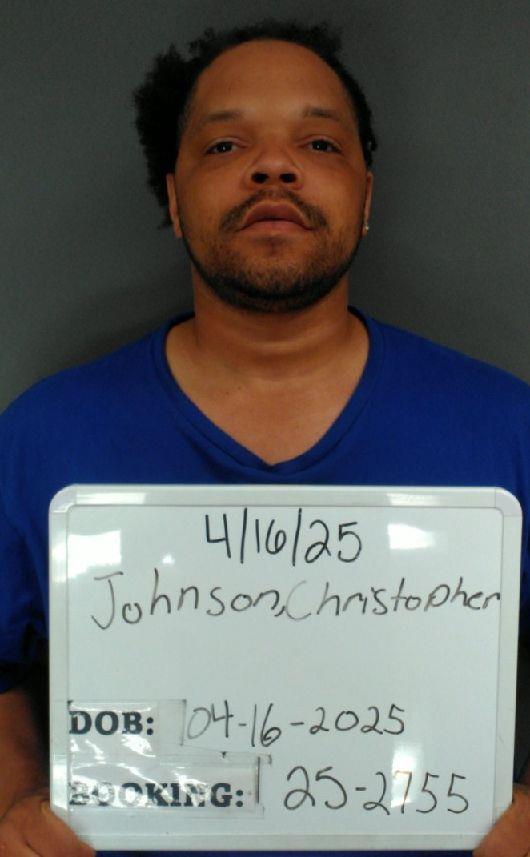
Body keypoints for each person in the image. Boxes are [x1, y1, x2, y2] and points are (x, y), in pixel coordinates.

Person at [0, 17, 528, 857]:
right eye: (224, 145)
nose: (274, 166)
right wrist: (15, 802)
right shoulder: (40, 438)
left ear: (365, 198)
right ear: (174, 199)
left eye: (318, 143)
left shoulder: (509, 429)